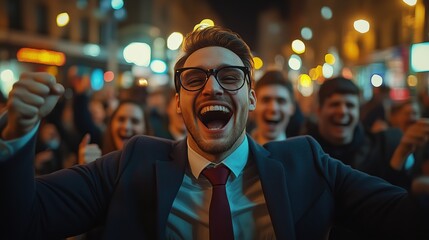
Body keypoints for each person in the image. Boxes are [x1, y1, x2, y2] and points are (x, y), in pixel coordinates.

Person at [0, 26, 428, 240]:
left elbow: (405, 219)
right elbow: (22, 221)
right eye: (194, 79)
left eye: (229, 76)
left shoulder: (307, 162)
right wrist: (19, 134)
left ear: (252, 97)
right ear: (177, 101)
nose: (211, 88)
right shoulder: (130, 163)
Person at [78, 100, 152, 165]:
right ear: (111, 124)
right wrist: (86, 171)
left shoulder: (153, 167)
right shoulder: (97, 162)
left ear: (145, 128)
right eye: (121, 119)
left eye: (135, 121)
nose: (126, 127)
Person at [249, 69, 295, 145]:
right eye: (266, 100)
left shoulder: (301, 155)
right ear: (253, 103)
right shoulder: (237, 153)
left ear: (292, 108)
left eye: (281, 101)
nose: (273, 108)